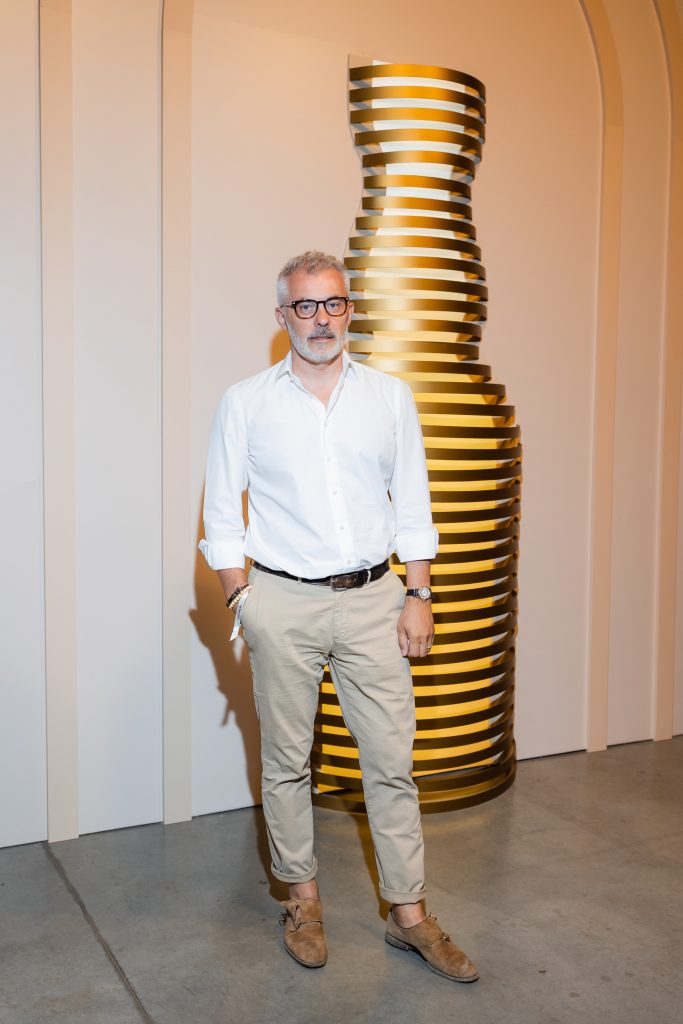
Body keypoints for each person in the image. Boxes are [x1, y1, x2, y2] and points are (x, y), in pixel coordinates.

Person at [199, 250, 478, 983]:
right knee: (287, 764)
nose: (320, 320)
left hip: (375, 599)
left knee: (390, 763)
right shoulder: (245, 402)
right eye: (305, 306)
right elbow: (221, 511)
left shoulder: (388, 396)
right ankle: (302, 901)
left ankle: (408, 916)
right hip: (282, 600)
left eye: (332, 304)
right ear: (282, 315)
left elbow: (412, 502)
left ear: (349, 309)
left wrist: (419, 594)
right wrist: (242, 599)